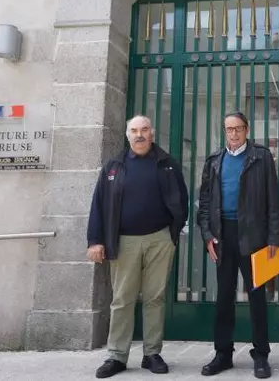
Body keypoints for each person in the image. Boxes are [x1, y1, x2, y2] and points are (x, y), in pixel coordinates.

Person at [87, 115, 188, 378]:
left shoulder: (167, 164)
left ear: (152, 133)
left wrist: (172, 234)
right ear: (127, 134)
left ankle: (152, 354)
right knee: (122, 299)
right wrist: (95, 240)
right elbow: (98, 205)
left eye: (144, 130)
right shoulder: (113, 167)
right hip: (123, 242)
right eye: (134, 130)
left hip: (159, 240)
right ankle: (117, 356)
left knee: (155, 299)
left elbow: (182, 200)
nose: (139, 135)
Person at [197, 111, 279, 379]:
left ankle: (261, 355)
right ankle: (223, 354)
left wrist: (274, 240)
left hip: (255, 237)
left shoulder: (261, 157)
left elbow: (273, 203)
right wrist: (207, 236)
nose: (233, 134)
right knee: (223, 297)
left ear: (247, 130)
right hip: (223, 236)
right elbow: (205, 203)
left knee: (257, 297)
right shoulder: (213, 161)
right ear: (224, 131)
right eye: (229, 129)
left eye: (238, 128)